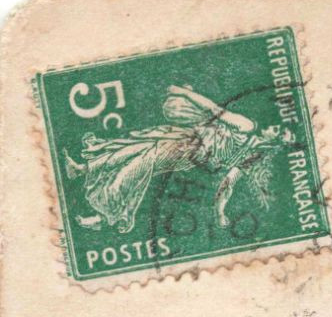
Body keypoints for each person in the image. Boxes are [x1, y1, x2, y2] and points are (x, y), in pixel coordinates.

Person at [63, 84, 292, 234]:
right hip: (186, 136)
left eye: (279, 132)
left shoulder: (250, 149)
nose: (274, 127)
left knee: (140, 164)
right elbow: (213, 110)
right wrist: (184, 94)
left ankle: (103, 216)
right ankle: (83, 168)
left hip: (190, 151)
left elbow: (227, 185)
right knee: (134, 146)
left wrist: (220, 212)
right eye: (278, 127)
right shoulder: (248, 127)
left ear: (275, 142)